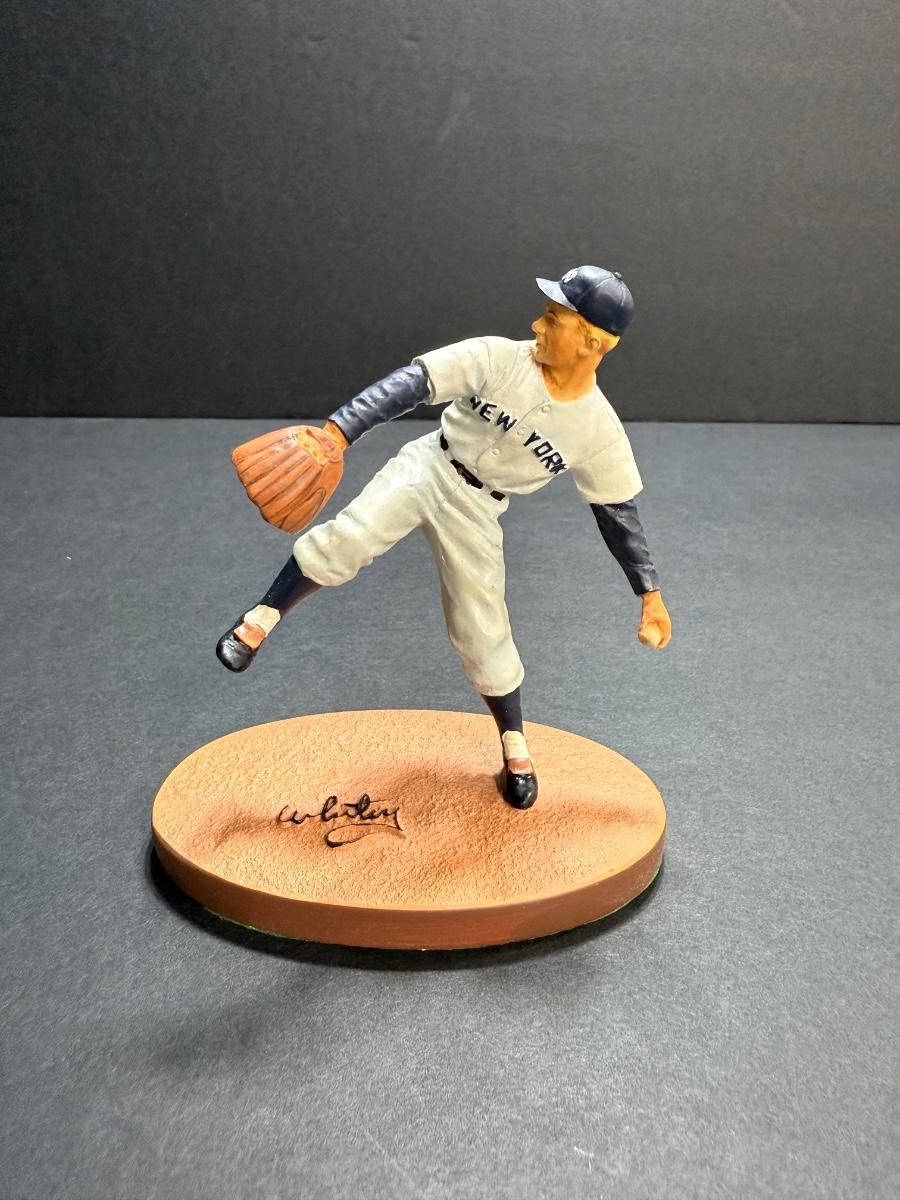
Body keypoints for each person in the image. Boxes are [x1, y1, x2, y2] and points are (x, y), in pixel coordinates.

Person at [217, 266, 672, 810]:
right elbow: (414, 382)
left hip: (479, 507)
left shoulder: (599, 430)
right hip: (429, 465)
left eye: (555, 318)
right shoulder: (499, 356)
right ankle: (259, 619)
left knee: (482, 625)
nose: (538, 324)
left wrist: (649, 593)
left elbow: (617, 513)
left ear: (592, 342)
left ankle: (514, 744)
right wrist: (339, 430)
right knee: (350, 537)